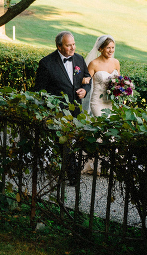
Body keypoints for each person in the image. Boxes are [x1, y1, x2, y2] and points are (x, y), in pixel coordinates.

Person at [34, 31, 92, 185]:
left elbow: (87, 78)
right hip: (58, 112)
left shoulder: (79, 59)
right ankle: (73, 175)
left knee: (72, 143)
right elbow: (39, 90)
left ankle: (60, 169)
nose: (73, 48)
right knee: (64, 142)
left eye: (74, 44)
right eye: (68, 45)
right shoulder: (46, 63)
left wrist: (85, 90)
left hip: (76, 110)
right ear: (59, 47)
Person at [85, 35, 120, 118]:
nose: (111, 50)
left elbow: (119, 82)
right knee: (102, 123)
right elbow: (87, 81)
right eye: (108, 48)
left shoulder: (116, 62)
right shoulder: (94, 64)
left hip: (112, 102)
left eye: (112, 47)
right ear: (100, 48)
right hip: (98, 102)